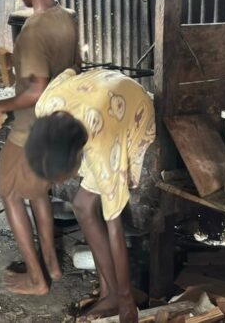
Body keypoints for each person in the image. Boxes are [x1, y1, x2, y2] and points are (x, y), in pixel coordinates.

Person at [0, 0, 80, 295]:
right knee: (38, 193)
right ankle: (52, 266)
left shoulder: (33, 31)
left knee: (10, 193)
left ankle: (37, 280)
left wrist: (2, 106)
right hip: (55, 127)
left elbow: (36, 90)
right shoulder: (66, 17)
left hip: (30, 131)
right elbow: (72, 70)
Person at [25, 68, 156, 323]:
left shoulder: (103, 146)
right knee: (82, 205)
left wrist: (127, 301)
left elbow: (114, 225)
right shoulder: (44, 106)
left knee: (85, 205)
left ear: (79, 153)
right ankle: (108, 293)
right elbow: (68, 73)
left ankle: (118, 295)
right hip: (102, 88)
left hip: (133, 108)